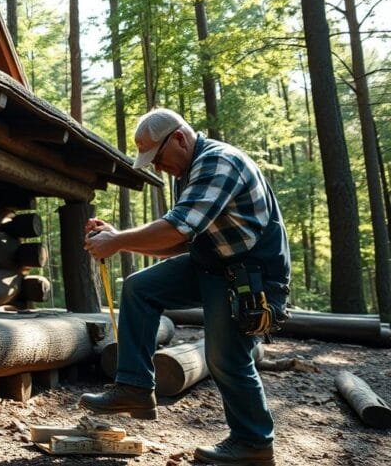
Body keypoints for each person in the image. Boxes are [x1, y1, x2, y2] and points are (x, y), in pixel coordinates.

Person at [80, 108, 289, 466]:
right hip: (211, 263)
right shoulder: (189, 170)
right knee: (140, 287)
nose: (159, 168)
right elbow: (181, 241)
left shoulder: (219, 163)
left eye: (158, 158)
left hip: (250, 275)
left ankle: (253, 443)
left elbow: (177, 230)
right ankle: (134, 387)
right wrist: (120, 239)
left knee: (226, 358)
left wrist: (118, 240)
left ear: (179, 138)